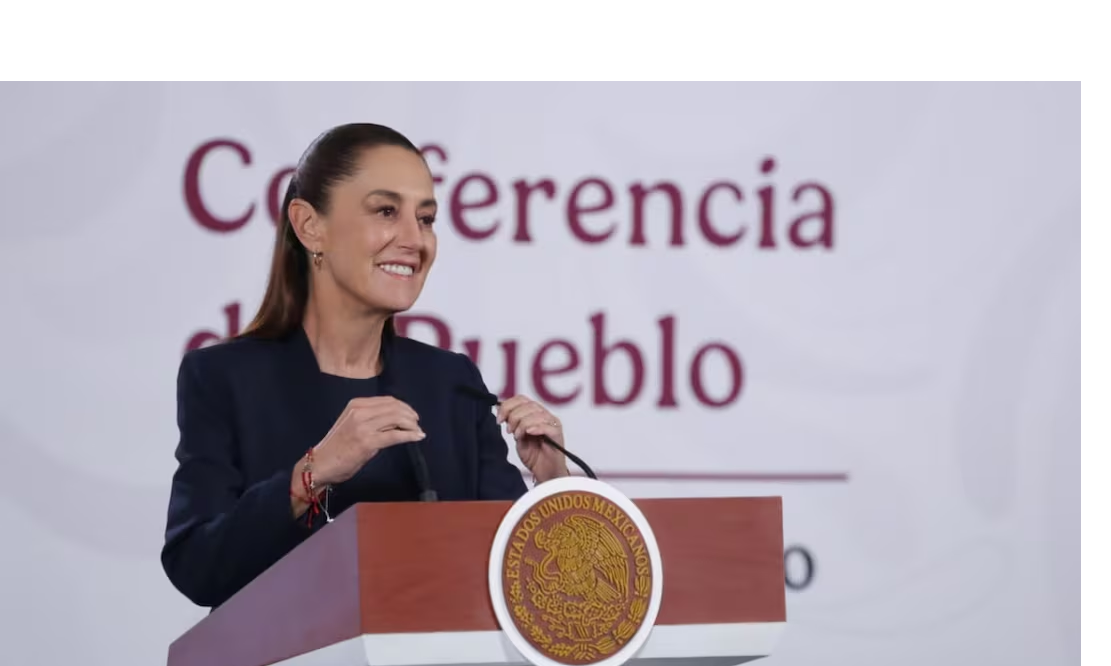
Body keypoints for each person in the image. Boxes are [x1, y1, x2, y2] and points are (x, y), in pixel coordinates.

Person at [160, 123, 570, 609]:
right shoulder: (224, 377)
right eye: (386, 211)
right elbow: (198, 566)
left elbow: (523, 582)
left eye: (426, 218)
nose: (415, 239)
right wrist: (312, 474)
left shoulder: (451, 383)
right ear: (309, 226)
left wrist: (554, 483)